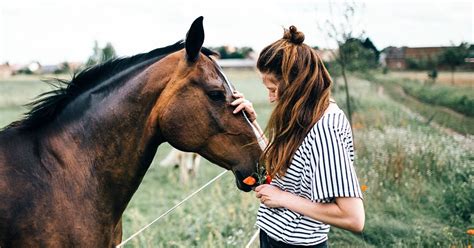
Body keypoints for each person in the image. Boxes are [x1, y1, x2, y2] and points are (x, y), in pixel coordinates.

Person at [231, 26, 365, 247]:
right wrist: (252, 122)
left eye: (273, 89)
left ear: (295, 85)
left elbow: (353, 217)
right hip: (274, 237)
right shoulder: (302, 116)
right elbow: (282, 169)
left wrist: (283, 198)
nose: (271, 98)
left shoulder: (326, 127)